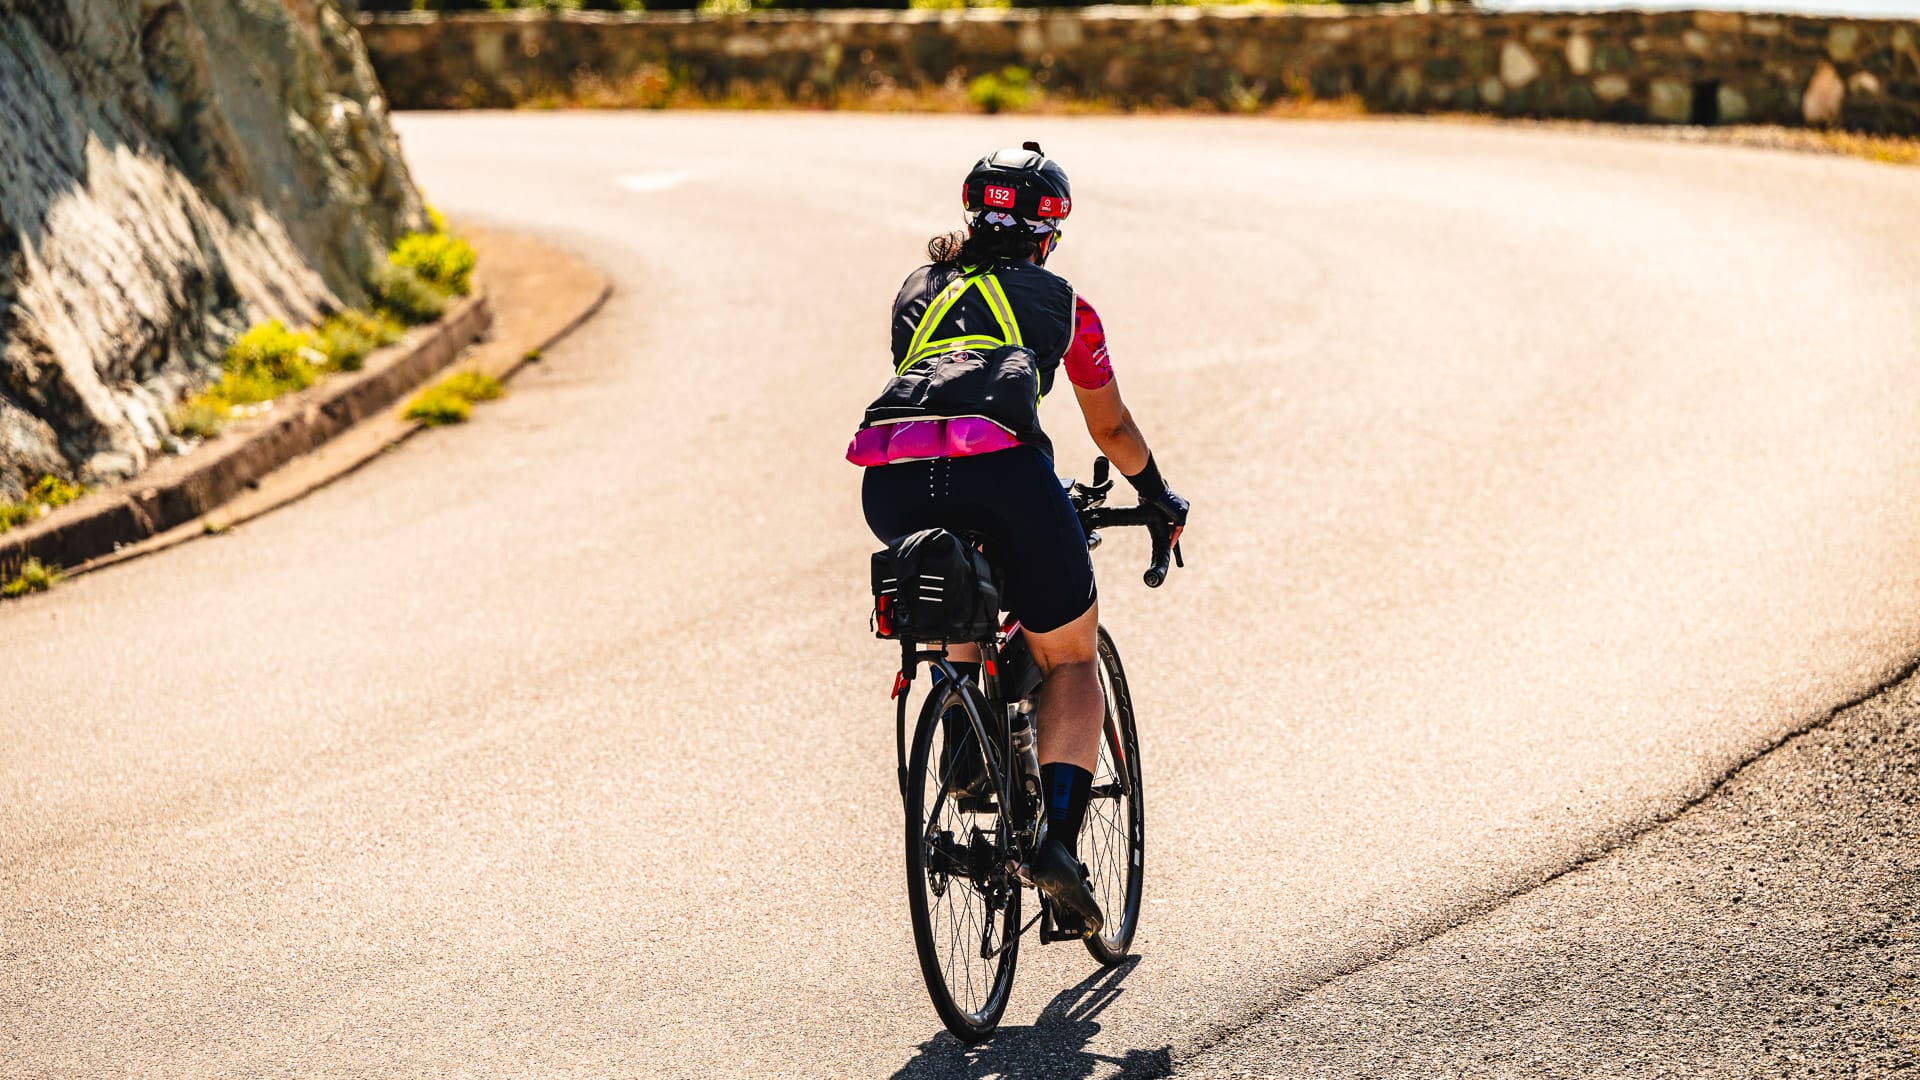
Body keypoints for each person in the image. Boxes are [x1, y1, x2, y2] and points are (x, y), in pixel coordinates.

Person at [849, 143, 1189, 938]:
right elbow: (1107, 426)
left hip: (890, 479)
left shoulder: (914, 294)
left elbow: (939, 388)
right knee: (1070, 654)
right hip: (1001, 472)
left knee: (959, 599)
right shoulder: (1064, 303)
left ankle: (965, 733)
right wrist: (1153, 493)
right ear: (1046, 234)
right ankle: (1058, 848)